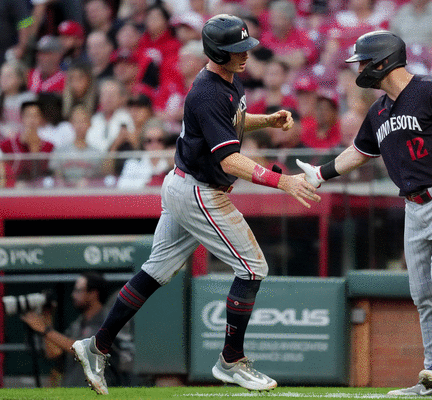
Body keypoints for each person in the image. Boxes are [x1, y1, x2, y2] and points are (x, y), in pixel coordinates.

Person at [71, 14, 320, 395]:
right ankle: (231, 361)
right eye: (237, 50)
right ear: (217, 52)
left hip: (183, 183)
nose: (245, 56)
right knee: (253, 269)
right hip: (200, 191)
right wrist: (282, 181)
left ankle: (96, 345)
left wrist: (264, 120)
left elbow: (229, 122)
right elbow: (229, 160)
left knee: (155, 271)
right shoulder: (207, 91)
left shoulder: (225, 83)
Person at [296, 30, 432, 396]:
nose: (361, 69)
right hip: (413, 207)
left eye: (366, 61)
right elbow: (359, 151)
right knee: (421, 292)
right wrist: (321, 174)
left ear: (384, 60)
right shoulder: (379, 110)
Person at [20, 272, 134, 388]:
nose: (73, 295)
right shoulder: (78, 323)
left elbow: (85, 349)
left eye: (78, 291)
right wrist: (47, 319)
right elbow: (54, 353)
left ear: (93, 293)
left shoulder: (107, 320)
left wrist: (44, 329)